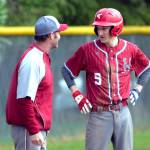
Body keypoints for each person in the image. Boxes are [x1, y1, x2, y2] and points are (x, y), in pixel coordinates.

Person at [61, 8, 150, 150]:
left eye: (104, 28)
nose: (100, 32)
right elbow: (66, 71)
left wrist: (137, 89)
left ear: (116, 29)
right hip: (99, 114)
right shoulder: (87, 50)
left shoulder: (131, 49)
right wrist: (77, 94)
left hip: (123, 112)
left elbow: (146, 68)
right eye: (98, 28)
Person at [6, 16, 68, 150]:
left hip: (33, 129)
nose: (60, 36)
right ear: (51, 35)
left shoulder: (40, 56)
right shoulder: (33, 61)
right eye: (58, 33)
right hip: (27, 130)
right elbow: (24, 100)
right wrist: (34, 130)